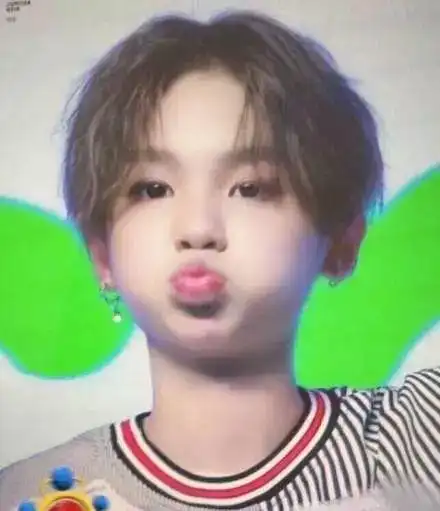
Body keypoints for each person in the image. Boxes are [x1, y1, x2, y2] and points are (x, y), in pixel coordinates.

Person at [1, 10, 439, 511]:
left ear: (342, 242)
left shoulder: (418, 439)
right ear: (102, 254)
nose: (197, 229)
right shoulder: (30, 494)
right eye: (152, 189)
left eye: (250, 188)